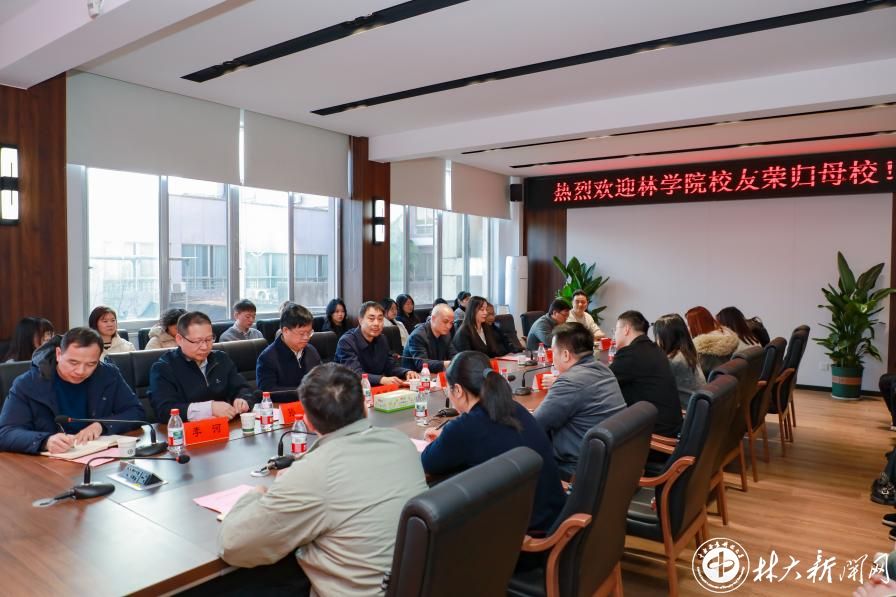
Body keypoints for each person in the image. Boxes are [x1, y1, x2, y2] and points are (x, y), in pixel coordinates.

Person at [217, 363, 428, 596]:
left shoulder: (312, 473)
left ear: (307, 421)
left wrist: (255, 494)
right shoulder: (400, 442)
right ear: (365, 406)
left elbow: (233, 546)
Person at [421, 351, 565, 533]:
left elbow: (426, 464)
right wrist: (448, 437)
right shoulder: (515, 408)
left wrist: (445, 438)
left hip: (524, 536)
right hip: (553, 518)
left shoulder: (464, 428)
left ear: (457, 390)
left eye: (448, 389)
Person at [0, 327, 145, 454]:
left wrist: (102, 425)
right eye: (73, 362)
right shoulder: (28, 383)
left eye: (91, 364)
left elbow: (136, 411)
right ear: (58, 354)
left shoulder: (108, 375)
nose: (81, 371)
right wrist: (45, 441)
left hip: (95, 455)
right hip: (47, 464)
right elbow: (5, 433)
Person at [534, 322, 626, 480]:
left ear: (565, 355)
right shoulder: (604, 369)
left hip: (578, 469)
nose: (552, 357)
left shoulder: (570, 381)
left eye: (553, 352)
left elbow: (535, 424)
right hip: (609, 461)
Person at [149, 311, 255, 422]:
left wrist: (243, 400)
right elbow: (164, 410)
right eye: (197, 341)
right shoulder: (163, 368)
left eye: (209, 339)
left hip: (225, 426)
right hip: (187, 430)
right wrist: (209, 408)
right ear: (179, 339)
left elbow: (243, 388)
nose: (204, 347)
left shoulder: (220, 359)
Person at [609, 310, 682, 438]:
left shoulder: (631, 354)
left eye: (616, 329)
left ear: (626, 329)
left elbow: (603, 382)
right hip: (671, 427)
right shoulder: (656, 349)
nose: (615, 334)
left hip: (654, 433)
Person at [335, 301, 419, 386]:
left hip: (377, 389)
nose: (376, 323)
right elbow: (355, 374)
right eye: (371, 319)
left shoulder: (382, 339)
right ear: (360, 320)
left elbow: (389, 366)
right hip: (350, 390)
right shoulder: (346, 342)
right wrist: (381, 379)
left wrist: (406, 372)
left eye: (380, 319)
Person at [256, 304, 322, 402]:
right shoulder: (267, 358)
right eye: (301, 333)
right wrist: (304, 392)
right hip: (283, 407)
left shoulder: (311, 351)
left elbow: (321, 380)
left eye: (309, 333)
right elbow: (268, 391)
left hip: (311, 405)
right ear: (285, 330)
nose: (306, 337)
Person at [653, 313, 706, 410]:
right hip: (699, 409)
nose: (656, 341)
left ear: (666, 338)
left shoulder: (673, 361)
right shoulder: (688, 354)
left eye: (657, 336)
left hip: (687, 412)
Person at [686, 306, 739, 378]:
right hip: (728, 380)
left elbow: (696, 377)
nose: (688, 328)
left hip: (713, 383)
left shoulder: (702, 351)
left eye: (689, 324)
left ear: (696, 325)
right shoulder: (727, 338)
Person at [402, 303, 456, 373]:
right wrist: (445, 364)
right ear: (433, 318)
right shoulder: (418, 336)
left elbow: (453, 355)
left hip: (435, 375)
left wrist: (458, 360)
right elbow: (422, 364)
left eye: (451, 323)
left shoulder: (446, 334)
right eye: (445, 321)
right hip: (415, 376)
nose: (449, 326)